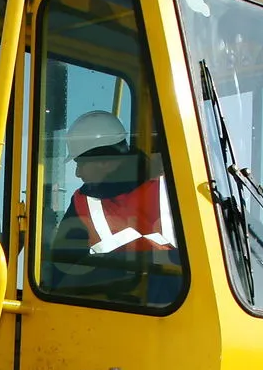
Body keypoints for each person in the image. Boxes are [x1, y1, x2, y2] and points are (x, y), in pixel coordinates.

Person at [45, 110, 178, 295]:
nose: (77, 173)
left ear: (104, 162)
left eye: (80, 163)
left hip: (169, 310)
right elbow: (61, 271)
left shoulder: (169, 191)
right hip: (112, 313)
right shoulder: (83, 201)